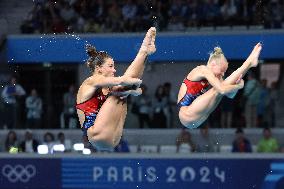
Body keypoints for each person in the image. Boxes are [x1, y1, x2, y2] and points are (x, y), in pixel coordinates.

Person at [76, 27, 156, 151]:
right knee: (119, 91)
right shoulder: (90, 82)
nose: (114, 70)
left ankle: (145, 53)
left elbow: (133, 86)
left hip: (112, 138)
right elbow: (123, 81)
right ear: (98, 68)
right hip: (96, 134)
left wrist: (131, 89)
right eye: (110, 66)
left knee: (121, 93)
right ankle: (143, 50)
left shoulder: (109, 88)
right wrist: (131, 87)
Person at [177, 43, 262, 129]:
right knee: (218, 90)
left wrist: (236, 84)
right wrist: (238, 86)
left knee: (221, 90)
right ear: (213, 64)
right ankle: (249, 63)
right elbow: (222, 90)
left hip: (197, 120)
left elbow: (230, 95)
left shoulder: (215, 76)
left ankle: (249, 64)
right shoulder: (203, 70)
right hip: (187, 114)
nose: (222, 74)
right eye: (221, 70)